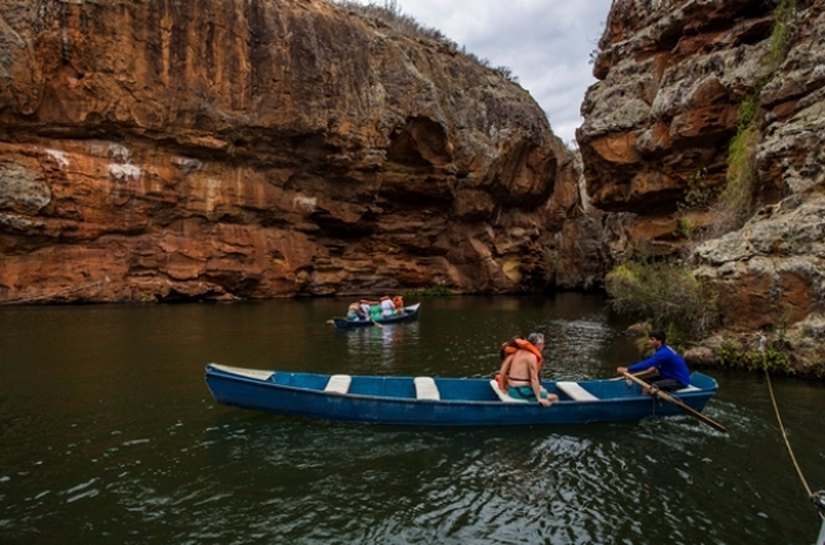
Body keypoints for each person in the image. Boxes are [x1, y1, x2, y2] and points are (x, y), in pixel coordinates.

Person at [617, 330, 691, 394]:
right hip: (668, 377)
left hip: (679, 381)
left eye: (652, 339)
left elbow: (648, 363)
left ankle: (643, 404)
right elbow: (662, 362)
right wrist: (656, 366)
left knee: (648, 387)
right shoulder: (663, 348)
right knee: (644, 382)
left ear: (659, 341)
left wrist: (628, 369)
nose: (649, 341)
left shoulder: (663, 353)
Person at [496, 332, 558, 407]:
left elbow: (502, 372)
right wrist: (539, 398)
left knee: (543, 390)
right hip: (521, 391)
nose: (543, 346)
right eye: (543, 344)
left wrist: (503, 388)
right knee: (554, 397)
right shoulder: (532, 357)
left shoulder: (516, 352)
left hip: (511, 389)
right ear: (538, 345)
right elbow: (534, 379)